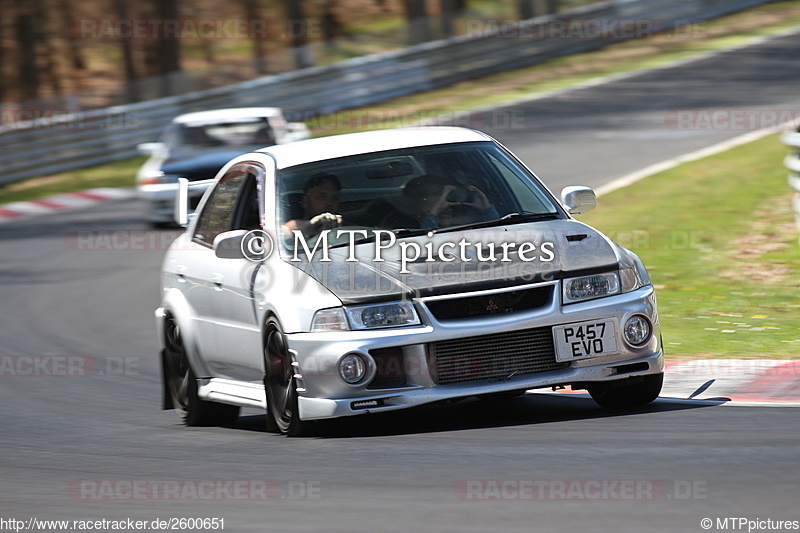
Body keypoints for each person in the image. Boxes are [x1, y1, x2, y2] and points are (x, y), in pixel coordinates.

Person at [380, 175, 498, 230]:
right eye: (437, 196)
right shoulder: (400, 222)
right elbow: (424, 241)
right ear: (420, 200)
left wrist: (486, 209)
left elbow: (498, 232)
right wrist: (434, 215)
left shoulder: (463, 214)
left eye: (446, 195)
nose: (444, 201)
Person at [281, 172, 343, 240]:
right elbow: (281, 233)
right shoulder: (293, 231)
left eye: (334, 197)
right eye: (322, 196)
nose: (330, 203)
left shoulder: (346, 228)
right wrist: (310, 225)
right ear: (305, 201)